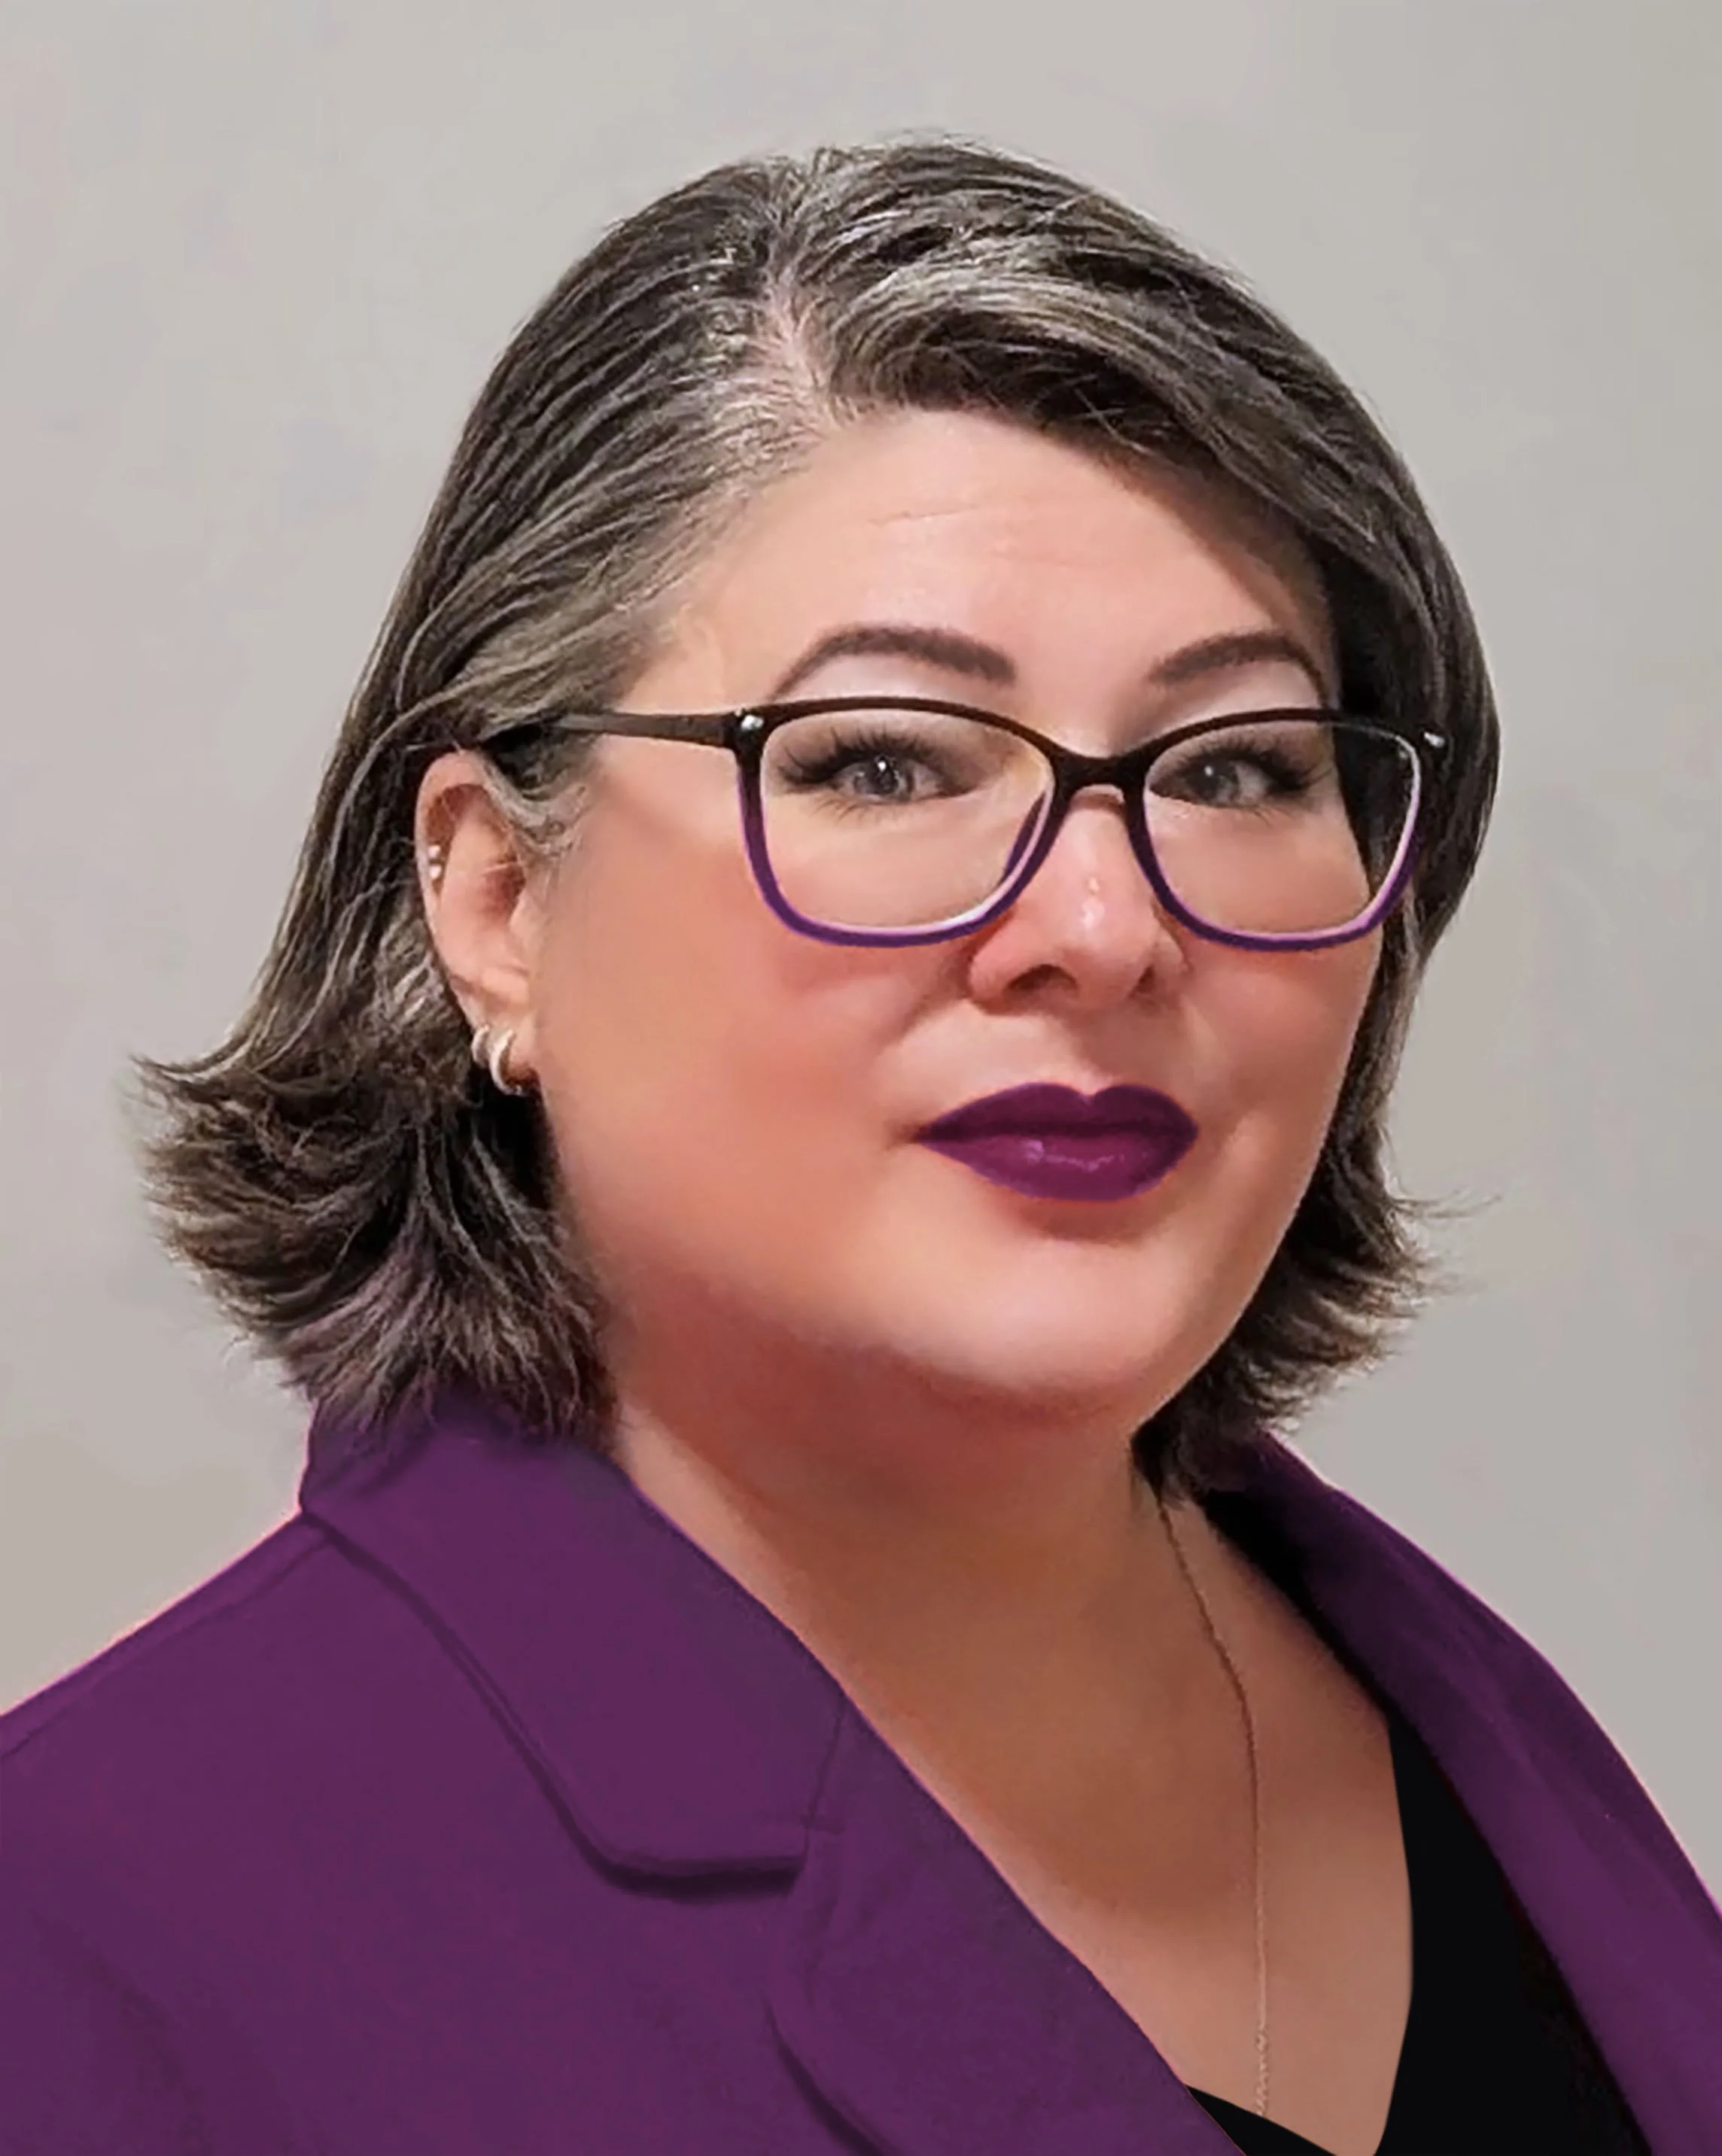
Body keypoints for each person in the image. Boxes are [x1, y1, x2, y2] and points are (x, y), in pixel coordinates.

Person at [1, 136, 1717, 2156]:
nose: (1103, 929)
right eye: (885, 760)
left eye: (1243, 763)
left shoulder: (1472, 1725)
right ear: (493, 905)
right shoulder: (91, 1950)